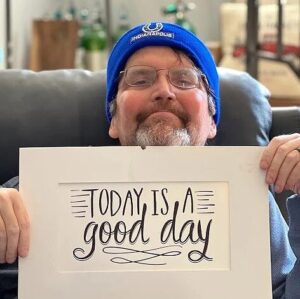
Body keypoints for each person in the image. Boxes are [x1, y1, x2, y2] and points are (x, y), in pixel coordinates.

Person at [0, 22, 299, 298]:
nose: (164, 92)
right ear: (114, 120)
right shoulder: (38, 192)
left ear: (211, 122)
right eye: (140, 80)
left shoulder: (249, 198)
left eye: (184, 80)